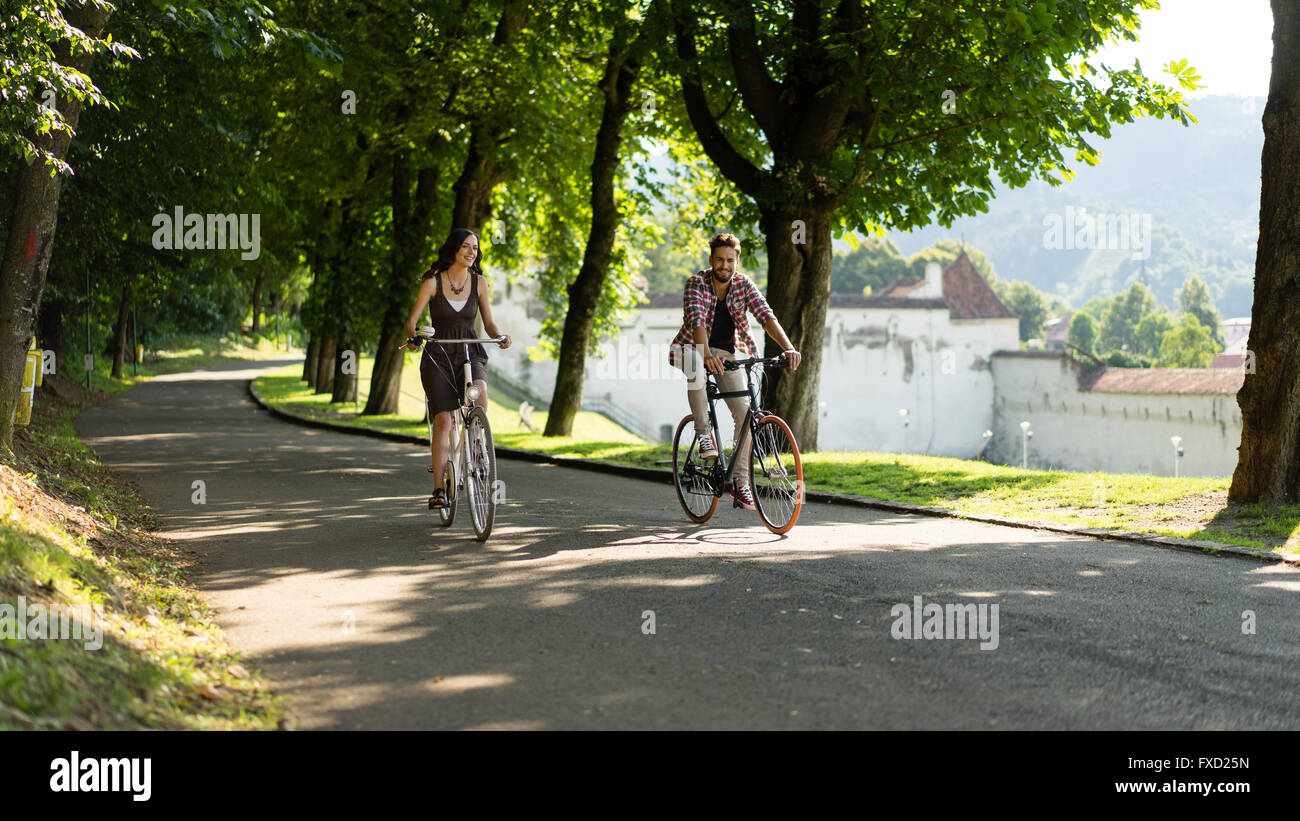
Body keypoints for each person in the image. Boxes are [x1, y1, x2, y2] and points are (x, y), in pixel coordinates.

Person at [668, 233, 801, 510]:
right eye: (719, 260)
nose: (724, 265)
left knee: (744, 411)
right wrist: (705, 355)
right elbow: (697, 322)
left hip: (726, 354)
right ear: (711, 261)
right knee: (696, 368)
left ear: (737, 261)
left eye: (730, 260)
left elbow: (766, 316)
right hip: (690, 348)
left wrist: (788, 347)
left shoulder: (743, 284)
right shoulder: (696, 283)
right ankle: (704, 434)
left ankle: (740, 483)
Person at [404, 228, 511, 509]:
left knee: (481, 394)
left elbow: (488, 323)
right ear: (453, 249)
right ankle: (439, 490)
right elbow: (411, 321)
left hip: (469, 350)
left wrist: (499, 335)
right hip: (438, 354)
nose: (471, 252)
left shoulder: (479, 283)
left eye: (475, 248)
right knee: (444, 421)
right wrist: (414, 337)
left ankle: (476, 445)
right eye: (465, 247)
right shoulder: (433, 282)